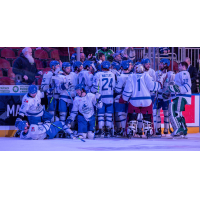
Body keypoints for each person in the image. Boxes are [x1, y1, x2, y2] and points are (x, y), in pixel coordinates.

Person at [121, 64, 165, 138]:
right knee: (147, 117)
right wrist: (159, 84)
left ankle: (131, 130)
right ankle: (148, 130)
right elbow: (152, 87)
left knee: (132, 116)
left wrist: (124, 98)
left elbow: (128, 90)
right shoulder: (146, 75)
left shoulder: (131, 76)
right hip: (146, 100)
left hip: (134, 100)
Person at [163, 61, 191, 138]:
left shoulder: (184, 73)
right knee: (178, 113)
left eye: (180, 66)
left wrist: (179, 89)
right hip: (178, 96)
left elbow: (187, 86)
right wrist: (169, 93)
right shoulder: (180, 74)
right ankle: (183, 129)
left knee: (175, 112)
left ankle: (179, 129)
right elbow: (175, 87)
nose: (178, 67)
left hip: (181, 96)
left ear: (183, 66)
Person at [91, 61, 115, 137]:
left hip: (101, 96)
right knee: (108, 115)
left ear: (101, 67)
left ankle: (101, 130)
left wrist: (91, 91)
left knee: (100, 115)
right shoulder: (112, 74)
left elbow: (95, 87)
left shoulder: (98, 74)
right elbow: (113, 86)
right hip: (110, 96)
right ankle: (108, 131)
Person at [153, 59, 175, 137]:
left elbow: (172, 85)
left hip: (167, 97)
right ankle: (158, 129)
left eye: (162, 63)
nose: (160, 65)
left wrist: (170, 94)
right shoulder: (157, 73)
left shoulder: (171, 74)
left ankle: (166, 129)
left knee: (166, 113)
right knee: (158, 113)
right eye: (160, 63)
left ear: (166, 64)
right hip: (158, 96)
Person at [114, 60, 132, 136]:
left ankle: (125, 130)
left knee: (121, 114)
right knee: (131, 115)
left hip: (122, 97)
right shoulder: (132, 75)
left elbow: (118, 89)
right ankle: (132, 131)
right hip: (131, 97)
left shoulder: (121, 77)